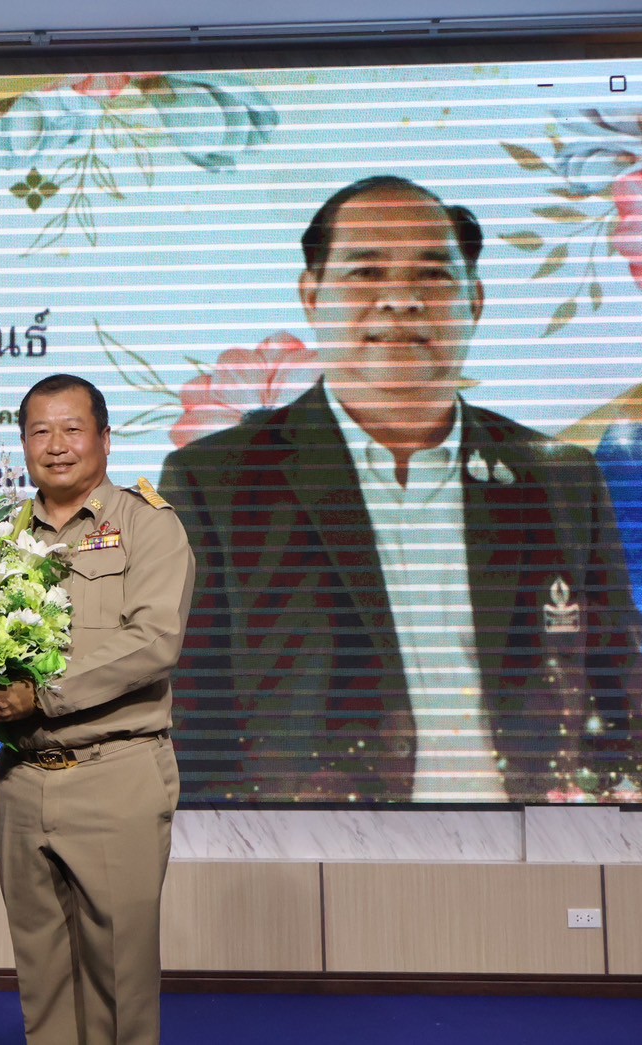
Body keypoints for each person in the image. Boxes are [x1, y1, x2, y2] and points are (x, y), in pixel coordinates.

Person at [159, 175, 642, 803]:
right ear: (312, 296)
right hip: (315, 848)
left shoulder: (559, 478)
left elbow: (620, 697)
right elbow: (185, 726)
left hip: (537, 841)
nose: (401, 299)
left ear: (475, 301)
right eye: (366, 272)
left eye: (433, 275)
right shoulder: (216, 483)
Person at [0, 374, 196, 1045]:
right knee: (44, 976)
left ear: (105, 439)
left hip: (114, 772)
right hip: (21, 778)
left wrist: (41, 693)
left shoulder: (148, 525)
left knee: (119, 979)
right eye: (40, 431)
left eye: (72, 429)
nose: (56, 445)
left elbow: (153, 640)